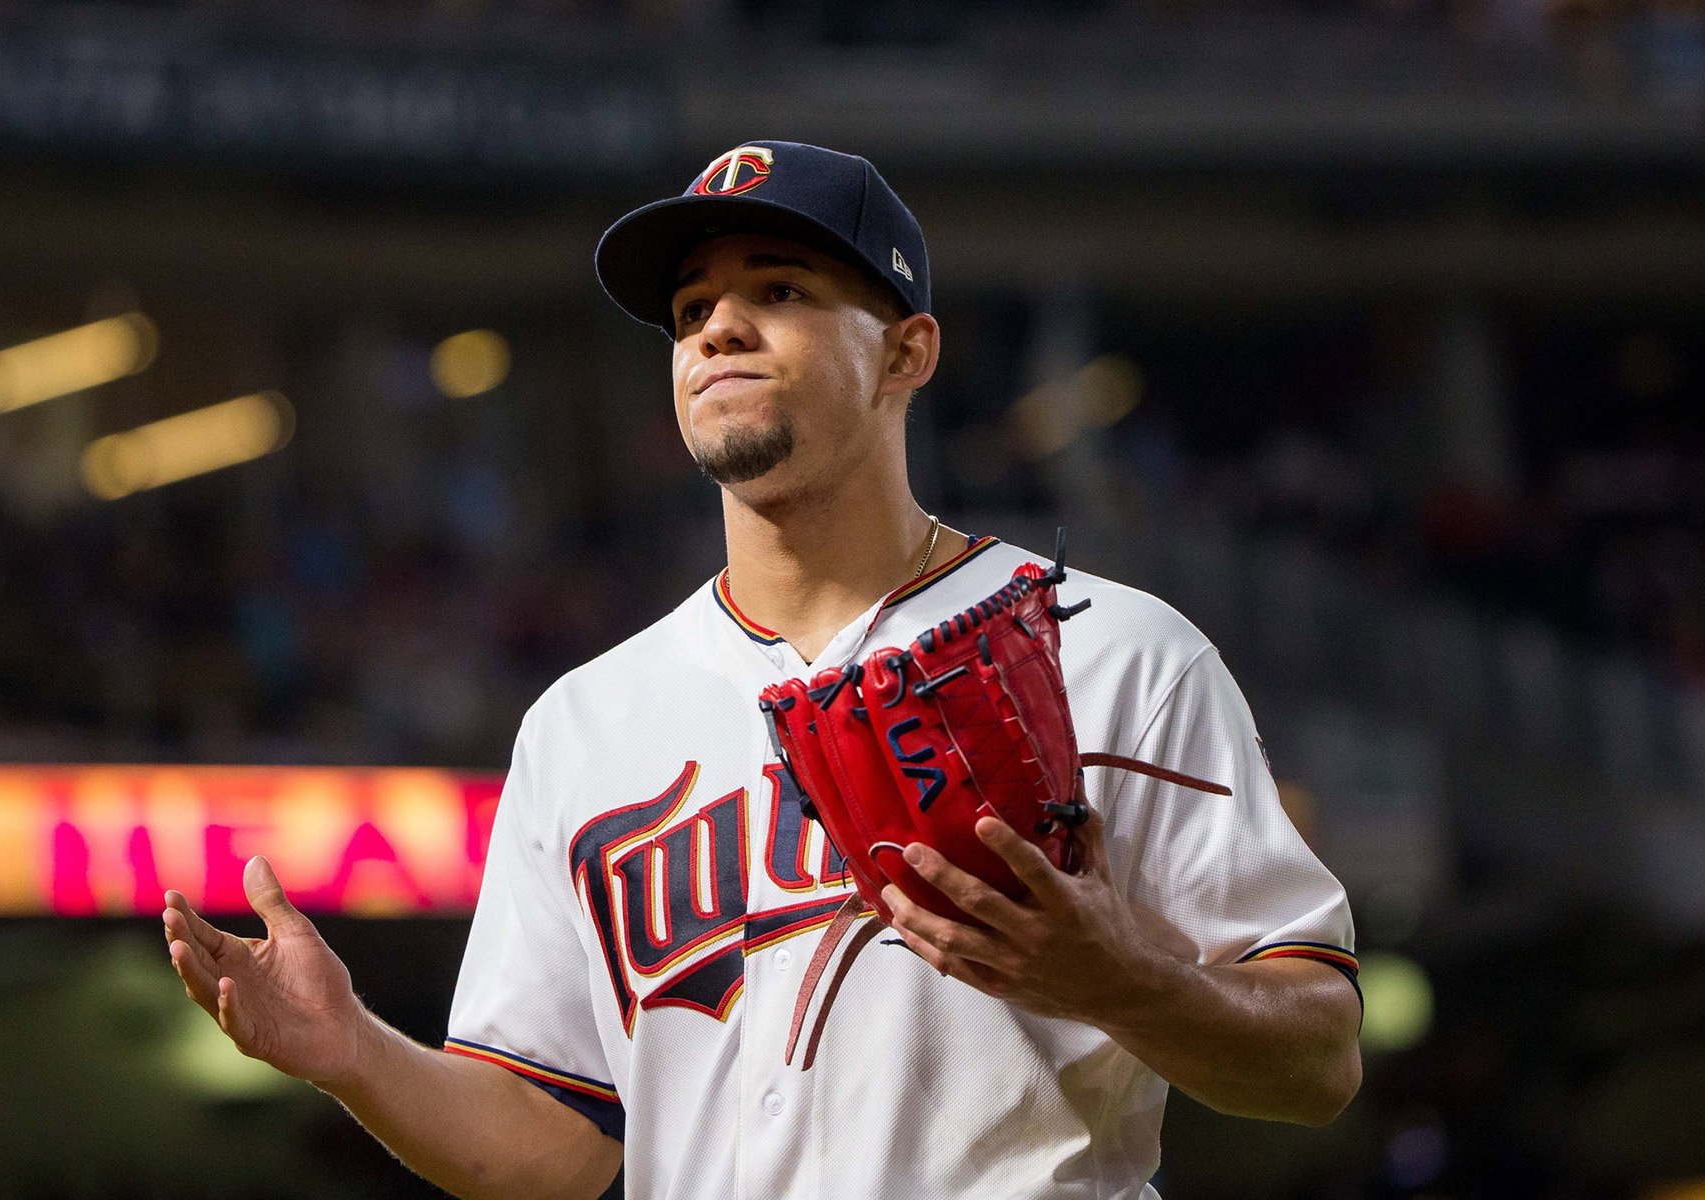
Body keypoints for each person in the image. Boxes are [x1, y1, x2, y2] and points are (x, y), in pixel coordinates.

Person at [162, 141, 1363, 1200]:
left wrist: (1124, 980)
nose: (716, 330)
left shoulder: (1110, 649)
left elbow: (1317, 1057)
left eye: (778, 291)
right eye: (690, 312)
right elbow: (549, 1149)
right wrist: (355, 1054)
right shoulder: (585, 724)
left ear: (907, 352)